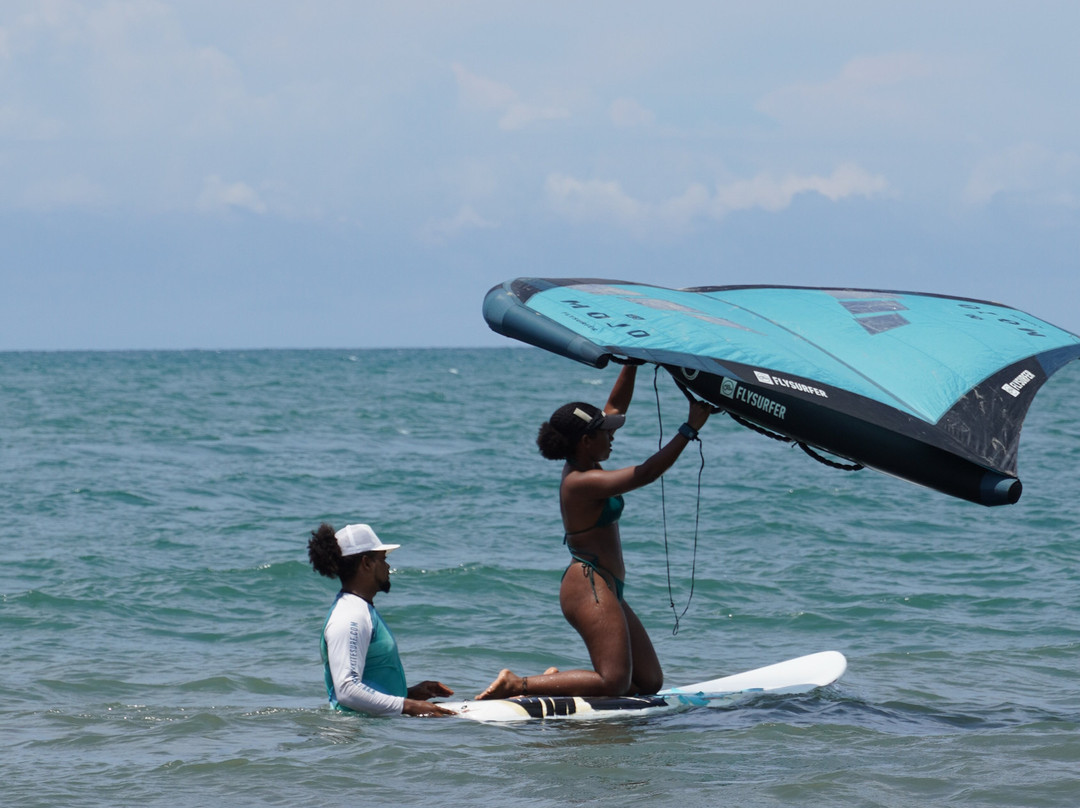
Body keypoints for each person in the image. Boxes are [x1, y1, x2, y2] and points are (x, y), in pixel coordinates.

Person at [477, 363, 712, 700]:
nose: (612, 436)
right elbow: (645, 473)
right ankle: (517, 684)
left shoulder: (588, 461)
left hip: (608, 585)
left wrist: (631, 363)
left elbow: (615, 408)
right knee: (614, 681)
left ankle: (559, 682)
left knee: (649, 682)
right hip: (587, 584)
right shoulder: (580, 482)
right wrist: (689, 429)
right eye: (605, 433)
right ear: (586, 441)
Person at [308, 522, 455, 717]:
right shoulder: (350, 616)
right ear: (367, 563)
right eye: (383, 559)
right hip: (353, 735)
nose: (388, 566)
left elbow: (365, 688)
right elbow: (347, 691)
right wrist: (408, 706)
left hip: (372, 732)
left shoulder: (361, 610)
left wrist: (409, 694)